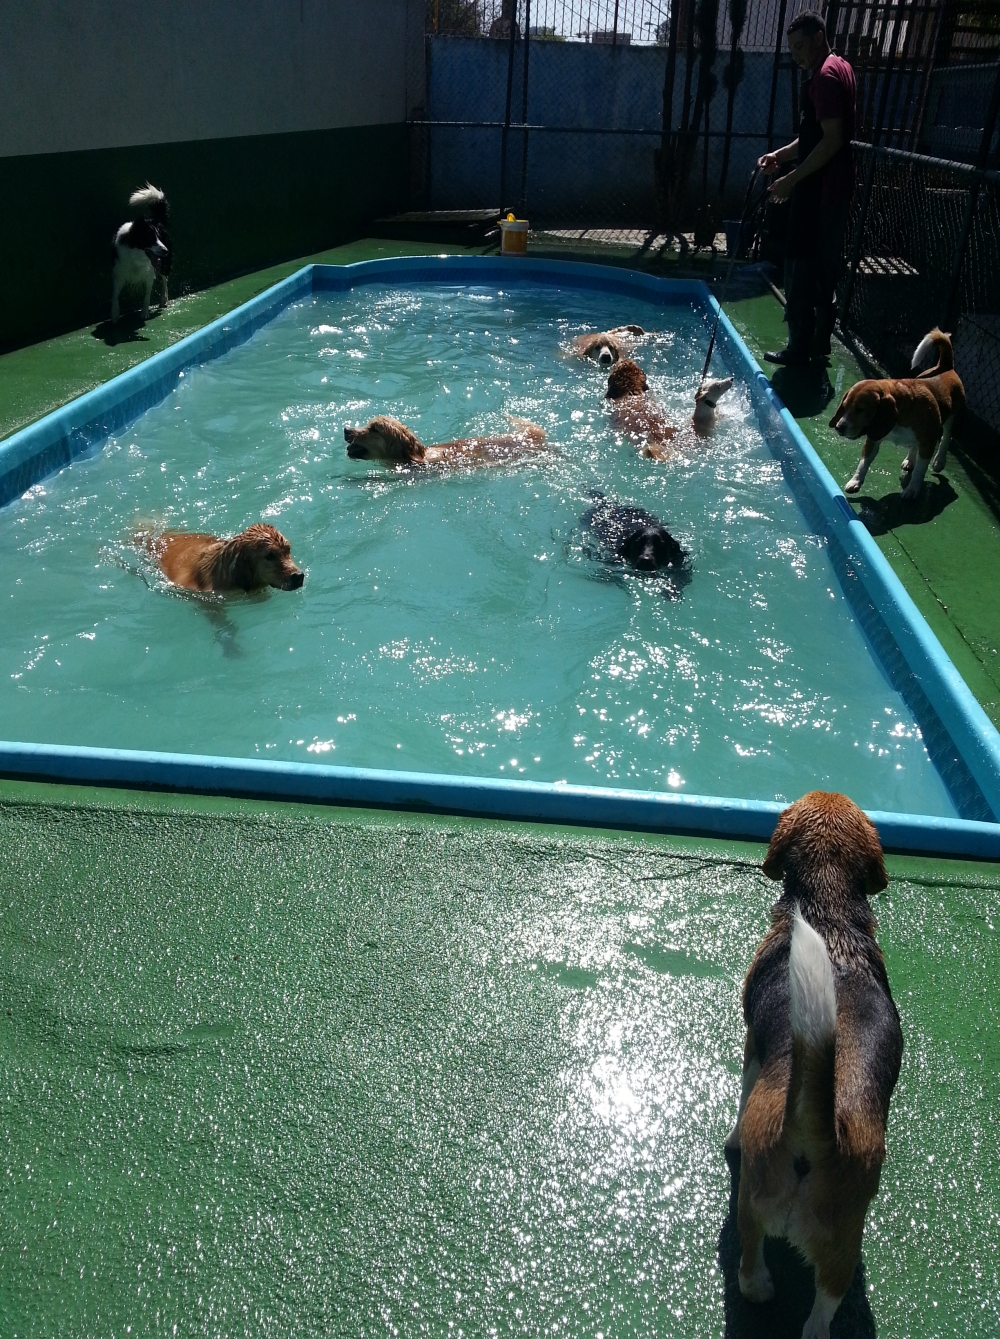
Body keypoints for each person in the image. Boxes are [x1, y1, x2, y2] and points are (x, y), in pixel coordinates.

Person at [757, 10, 856, 366]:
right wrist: (780, 156)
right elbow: (814, 137)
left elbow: (831, 141)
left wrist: (790, 179)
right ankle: (818, 345)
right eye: (792, 49)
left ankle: (800, 347)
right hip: (828, 189)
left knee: (802, 265)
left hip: (821, 192)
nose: (796, 55)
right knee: (820, 267)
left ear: (818, 38)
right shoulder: (838, 66)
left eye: (801, 46)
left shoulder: (826, 76)